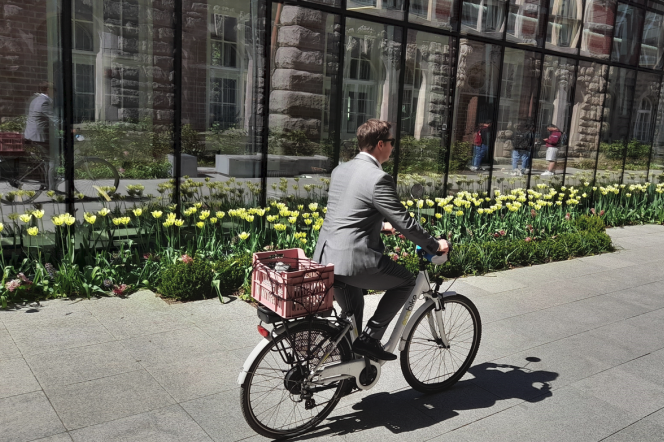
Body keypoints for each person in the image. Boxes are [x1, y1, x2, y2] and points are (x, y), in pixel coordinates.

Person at [313, 119, 449, 361]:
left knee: (352, 317)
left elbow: (348, 212)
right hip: (354, 261)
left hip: (328, 258)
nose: (392, 147)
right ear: (380, 144)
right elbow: (404, 222)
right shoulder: (378, 178)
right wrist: (434, 245)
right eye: (391, 142)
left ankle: (348, 372)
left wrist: (378, 225)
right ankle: (371, 338)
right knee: (406, 283)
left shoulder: (340, 170)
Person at [24, 81, 60, 190]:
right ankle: (51, 188)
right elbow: (54, 119)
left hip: (32, 135)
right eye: (54, 90)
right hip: (39, 136)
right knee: (53, 160)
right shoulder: (44, 102)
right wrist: (69, 127)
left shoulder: (36, 99)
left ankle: (46, 182)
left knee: (45, 160)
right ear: (48, 90)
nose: (55, 92)